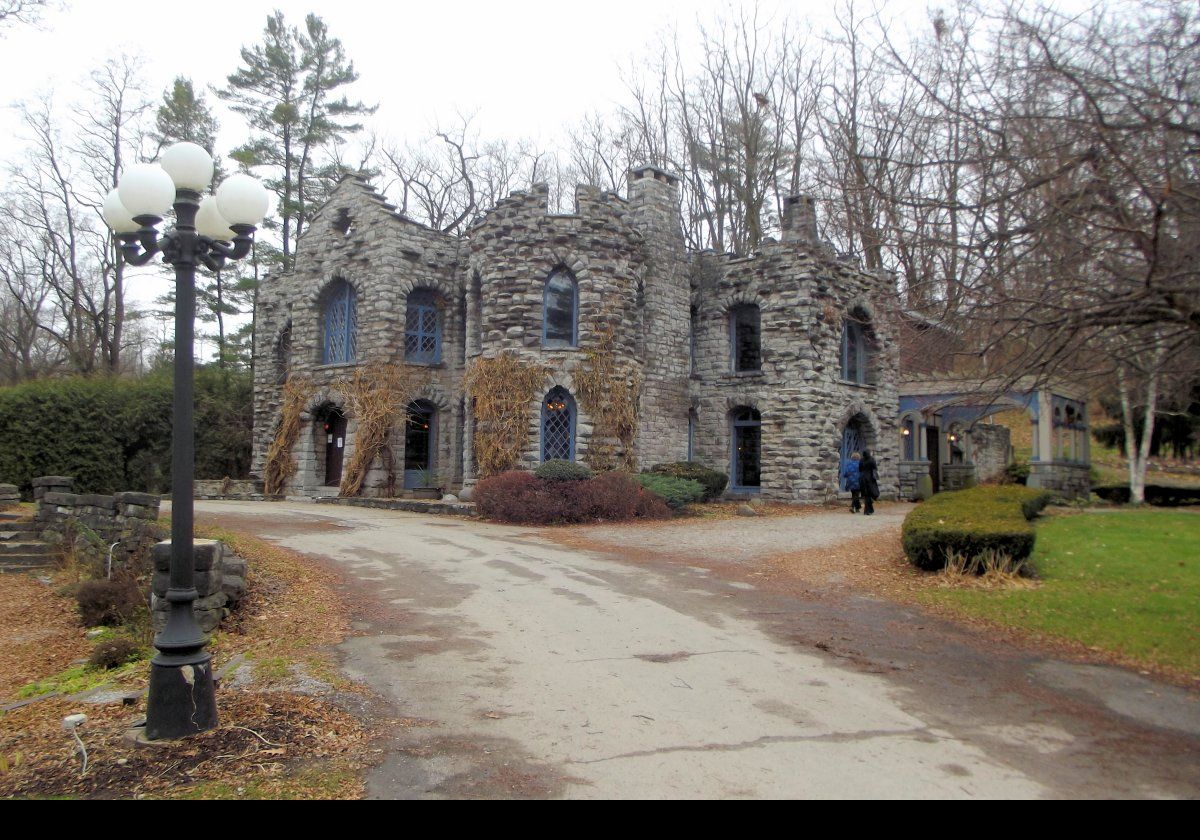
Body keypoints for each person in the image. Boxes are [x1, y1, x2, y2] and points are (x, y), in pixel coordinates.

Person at [859, 449, 880, 515]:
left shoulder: (861, 460)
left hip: (863, 478)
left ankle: (870, 509)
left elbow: (860, 469)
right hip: (870, 478)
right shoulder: (871, 459)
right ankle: (867, 510)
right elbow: (875, 468)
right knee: (870, 494)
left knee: (866, 494)